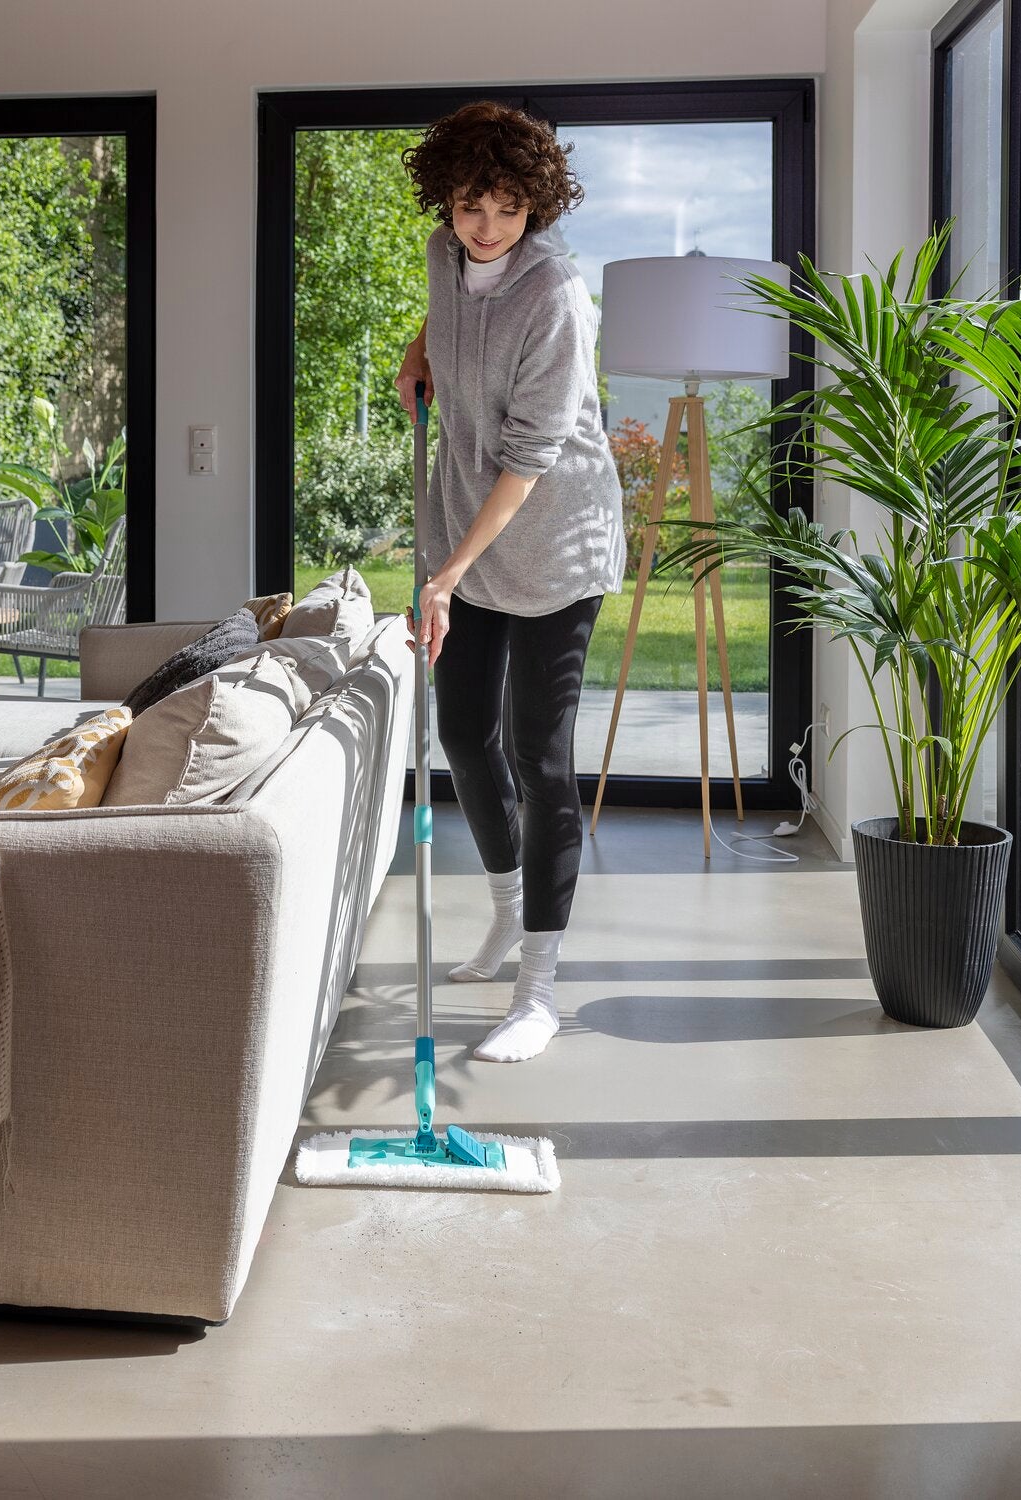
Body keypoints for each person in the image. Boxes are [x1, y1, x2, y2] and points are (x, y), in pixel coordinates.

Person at [394, 101, 625, 1063]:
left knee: (540, 754)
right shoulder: (450, 260)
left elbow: (530, 459)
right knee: (461, 732)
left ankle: (539, 990)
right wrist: (419, 352)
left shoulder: (558, 294)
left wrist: (445, 574)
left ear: (535, 203)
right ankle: (502, 911)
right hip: (467, 528)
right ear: (447, 203)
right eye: (470, 206)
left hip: (554, 541)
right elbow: (449, 320)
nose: (487, 226)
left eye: (507, 207)